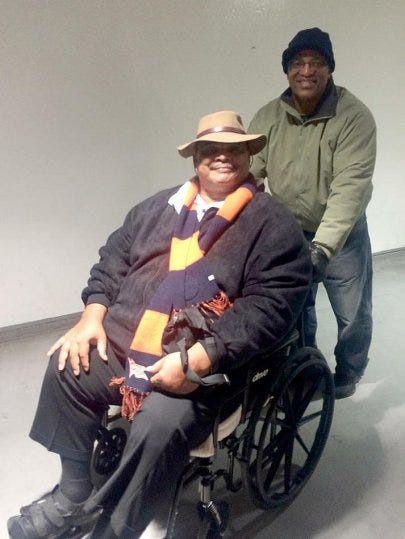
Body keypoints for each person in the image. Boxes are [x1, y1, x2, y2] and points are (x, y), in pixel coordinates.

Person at [8, 110, 312, 539]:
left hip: (205, 363)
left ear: (248, 155)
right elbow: (113, 260)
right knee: (67, 367)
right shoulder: (156, 207)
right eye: (210, 149)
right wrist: (92, 315)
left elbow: (272, 305)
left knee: (159, 425)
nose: (222, 157)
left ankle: (118, 528)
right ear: (195, 158)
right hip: (126, 343)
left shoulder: (273, 224)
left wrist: (201, 358)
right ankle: (73, 494)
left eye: (233, 149)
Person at [248, 27, 376, 399]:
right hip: (290, 231)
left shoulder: (354, 117)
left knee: (352, 311)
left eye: (316, 62)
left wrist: (323, 248)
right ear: (287, 69)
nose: (306, 71)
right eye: (298, 63)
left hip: (342, 233)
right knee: (298, 308)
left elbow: (350, 188)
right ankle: (306, 367)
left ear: (330, 69)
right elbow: (249, 174)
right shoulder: (268, 116)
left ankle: (349, 370)